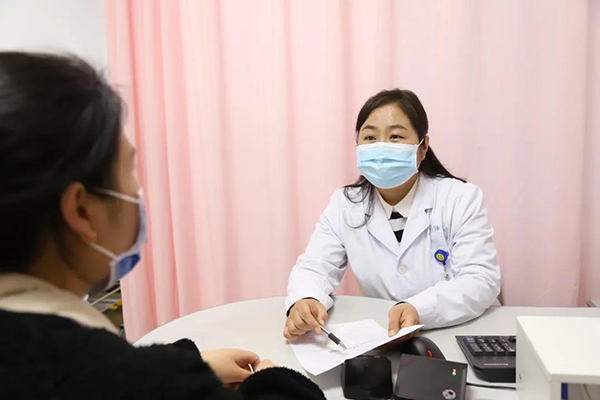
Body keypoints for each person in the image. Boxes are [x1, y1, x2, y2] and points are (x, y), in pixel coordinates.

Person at [0, 51, 324, 399]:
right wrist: (273, 381)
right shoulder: (109, 376)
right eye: (128, 170)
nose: (136, 192)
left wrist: (184, 364)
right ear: (81, 210)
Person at [284, 89, 501, 342]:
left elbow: (481, 279)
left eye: (395, 136)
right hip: (386, 336)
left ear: (423, 147)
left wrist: (419, 308)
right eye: (370, 137)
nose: (382, 147)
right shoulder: (344, 204)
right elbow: (315, 266)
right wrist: (306, 298)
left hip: (460, 331)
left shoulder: (460, 198)